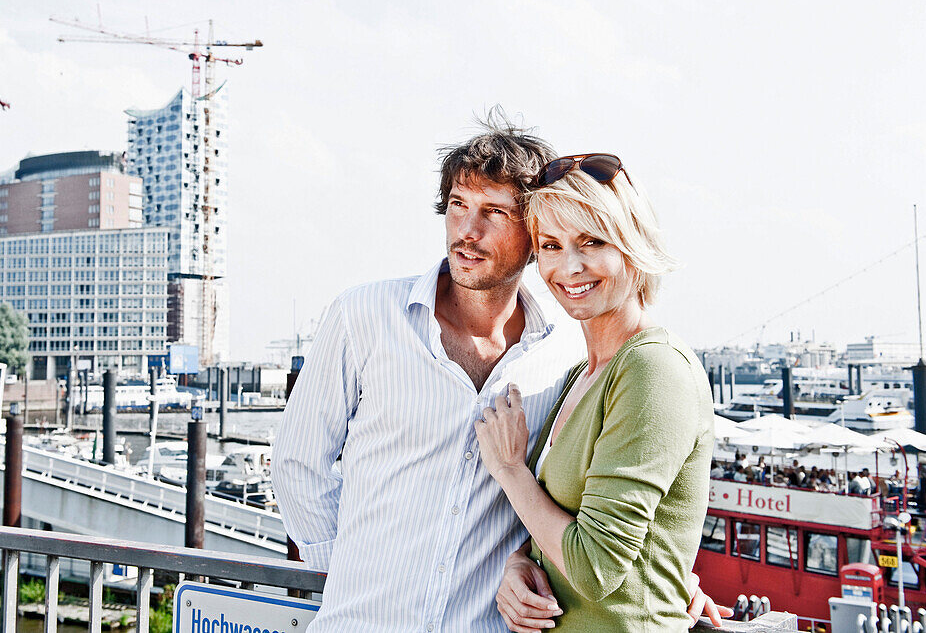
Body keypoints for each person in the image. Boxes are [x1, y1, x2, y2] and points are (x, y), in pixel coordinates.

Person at [271, 119, 727, 631]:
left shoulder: (563, 355)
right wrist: (353, 575)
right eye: (458, 206)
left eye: (493, 212)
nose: (468, 231)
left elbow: (599, 519)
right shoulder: (364, 316)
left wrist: (671, 574)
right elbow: (297, 463)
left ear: (529, 238)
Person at [476, 153, 714, 632]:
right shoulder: (579, 377)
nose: (570, 266)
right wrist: (520, 562)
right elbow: (569, 527)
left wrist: (509, 469)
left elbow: (595, 567)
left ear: (631, 244)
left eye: (592, 241)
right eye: (550, 245)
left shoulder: (653, 369)